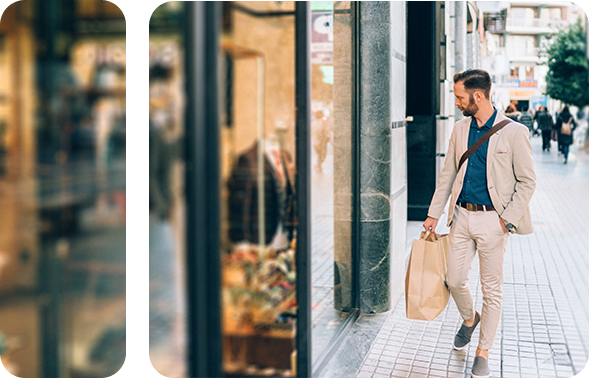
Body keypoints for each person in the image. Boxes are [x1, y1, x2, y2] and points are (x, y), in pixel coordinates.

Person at [422, 69, 536, 378]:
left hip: (493, 222)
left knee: (492, 291)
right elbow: (448, 174)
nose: (457, 102)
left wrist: (506, 221)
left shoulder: (513, 132)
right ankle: (469, 320)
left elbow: (527, 182)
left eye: (459, 97)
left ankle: (482, 351)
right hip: (461, 216)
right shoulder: (460, 129)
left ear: (478, 96)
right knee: (454, 279)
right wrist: (434, 213)